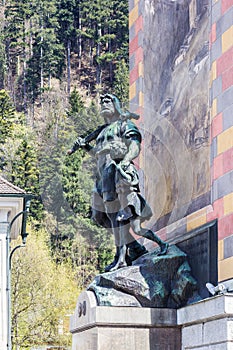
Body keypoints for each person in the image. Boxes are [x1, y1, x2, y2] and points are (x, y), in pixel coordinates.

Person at [67, 94, 168, 271]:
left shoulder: (124, 124)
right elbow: (99, 154)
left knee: (117, 218)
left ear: (115, 105)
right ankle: (134, 248)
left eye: (107, 101)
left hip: (115, 175)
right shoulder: (101, 131)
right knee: (99, 216)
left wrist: (126, 160)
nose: (103, 104)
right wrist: (85, 147)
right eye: (101, 102)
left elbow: (135, 144)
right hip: (101, 178)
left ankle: (120, 257)